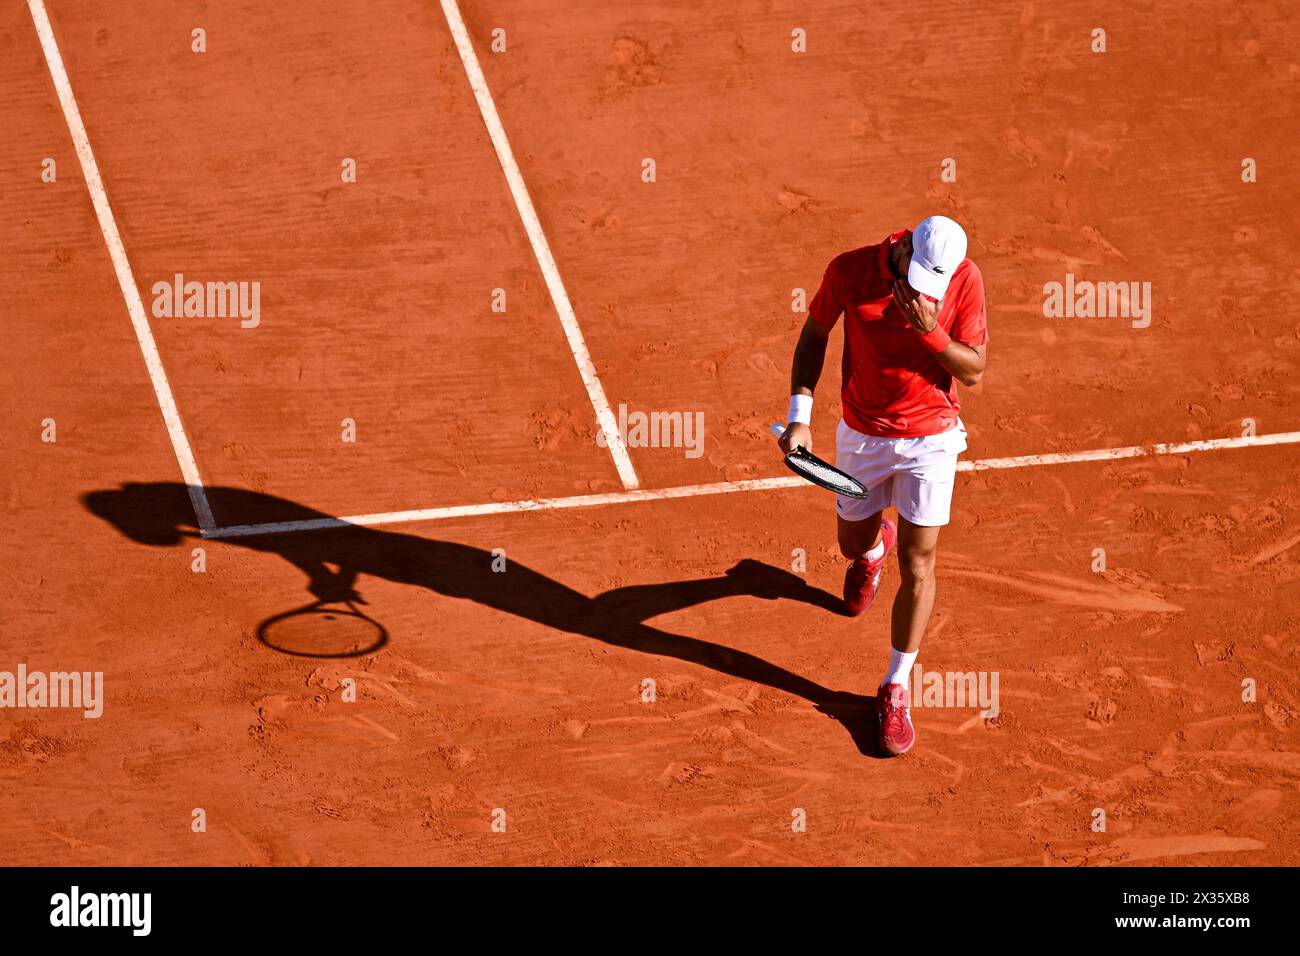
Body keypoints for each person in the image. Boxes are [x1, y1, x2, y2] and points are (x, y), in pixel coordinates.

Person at [777, 215, 988, 755]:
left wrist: (930, 330)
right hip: (863, 435)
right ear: (904, 251)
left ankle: (896, 687)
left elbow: (973, 370)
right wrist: (800, 417)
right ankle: (872, 549)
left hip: (932, 440)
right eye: (919, 276)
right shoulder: (850, 270)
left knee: (920, 565)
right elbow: (814, 334)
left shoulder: (965, 279)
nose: (924, 291)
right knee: (850, 542)